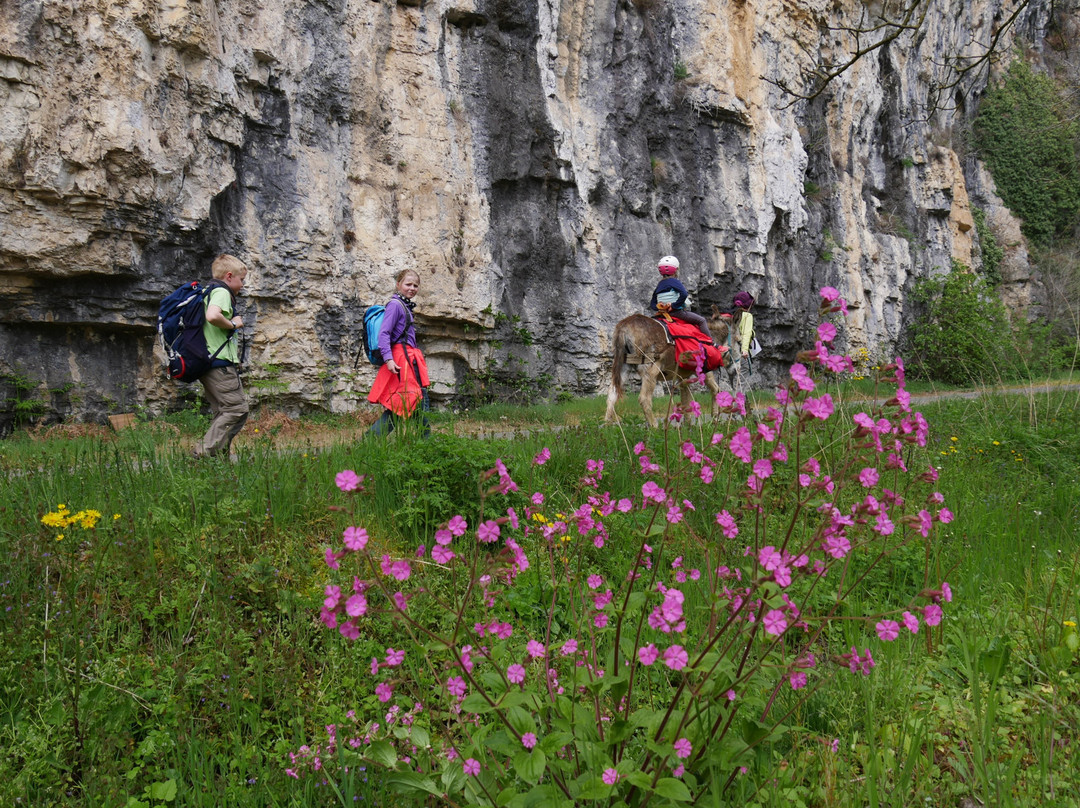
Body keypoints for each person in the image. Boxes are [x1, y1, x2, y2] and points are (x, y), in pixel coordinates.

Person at [193, 254, 250, 460]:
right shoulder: (220, 291)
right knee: (236, 409)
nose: (242, 285)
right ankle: (203, 454)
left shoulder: (207, 292)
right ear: (229, 276)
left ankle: (219, 460)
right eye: (241, 279)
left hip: (208, 362)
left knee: (223, 411)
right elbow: (213, 315)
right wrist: (234, 324)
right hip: (219, 364)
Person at [367, 269, 430, 438]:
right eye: (408, 284)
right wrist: (388, 359)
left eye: (415, 285)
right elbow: (384, 334)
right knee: (409, 403)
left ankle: (426, 442)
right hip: (402, 360)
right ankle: (427, 442)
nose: (412, 288)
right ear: (398, 284)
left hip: (408, 358)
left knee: (404, 404)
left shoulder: (405, 306)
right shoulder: (396, 305)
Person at [648, 255, 713, 342]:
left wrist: (662, 308)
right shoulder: (674, 281)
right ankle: (710, 343)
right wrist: (674, 306)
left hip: (662, 314)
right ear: (675, 270)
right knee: (701, 320)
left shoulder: (660, 284)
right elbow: (684, 294)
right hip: (676, 313)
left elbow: (652, 304)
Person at [732, 290, 756, 382]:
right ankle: (739, 396)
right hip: (739, 349)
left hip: (728, 349)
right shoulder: (747, 316)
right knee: (743, 372)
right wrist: (745, 350)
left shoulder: (731, 314)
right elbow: (746, 334)